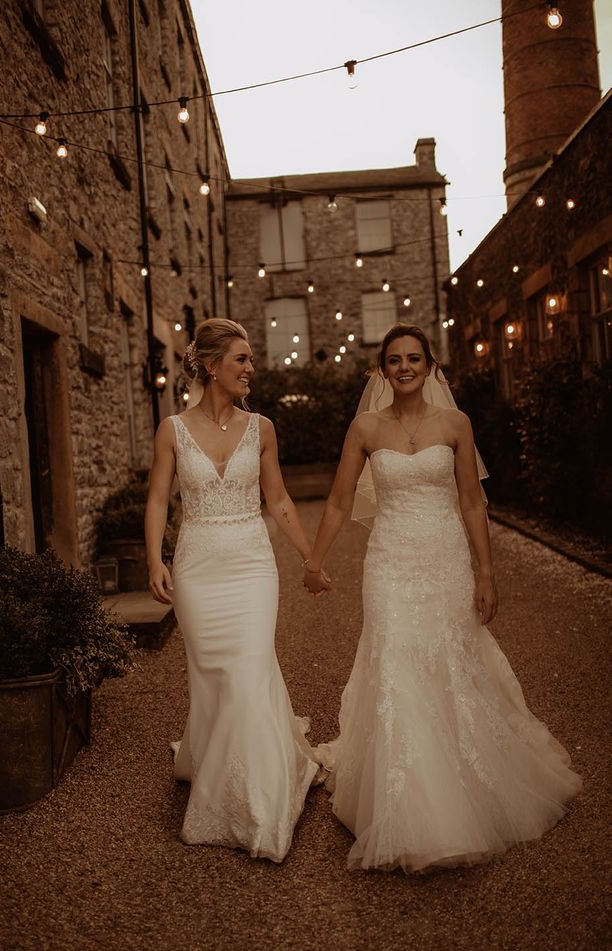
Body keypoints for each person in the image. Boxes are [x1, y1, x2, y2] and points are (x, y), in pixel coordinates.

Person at [303, 323, 582, 873]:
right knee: (396, 665)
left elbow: (473, 502)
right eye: (393, 360)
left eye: (414, 358)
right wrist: (314, 559)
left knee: (450, 661)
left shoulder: (456, 424)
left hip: (445, 559)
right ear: (381, 370)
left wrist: (486, 572)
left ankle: (463, 782)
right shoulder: (363, 427)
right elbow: (337, 502)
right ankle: (408, 802)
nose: (404, 367)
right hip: (389, 562)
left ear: (431, 366)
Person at [146, 318, 321, 862]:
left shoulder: (262, 428)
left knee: (248, 669)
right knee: (214, 676)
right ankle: (217, 761)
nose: (250, 369)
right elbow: (157, 501)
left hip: (252, 566)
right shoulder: (171, 430)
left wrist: (309, 555)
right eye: (242, 359)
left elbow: (280, 500)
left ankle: (261, 806)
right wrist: (154, 559)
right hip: (198, 567)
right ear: (213, 364)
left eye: (249, 360)